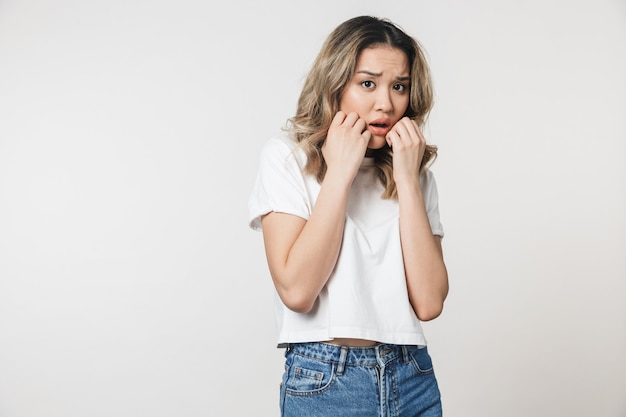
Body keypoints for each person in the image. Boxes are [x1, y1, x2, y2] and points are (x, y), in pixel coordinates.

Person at [248, 15, 448, 417]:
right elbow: (298, 291)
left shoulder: (412, 172)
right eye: (368, 83)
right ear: (335, 84)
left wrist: (408, 182)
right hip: (325, 380)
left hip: (412, 376)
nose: (385, 103)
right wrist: (339, 171)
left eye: (399, 87)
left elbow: (429, 303)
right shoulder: (287, 158)